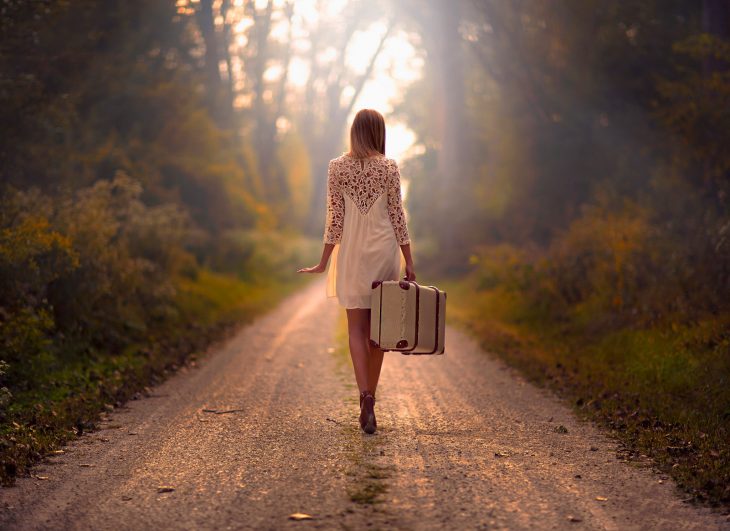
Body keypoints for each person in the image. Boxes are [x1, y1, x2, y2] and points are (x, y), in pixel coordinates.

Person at [297, 108, 415, 434]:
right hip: (383, 251)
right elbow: (397, 217)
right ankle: (370, 399)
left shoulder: (336, 167)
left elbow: (334, 220)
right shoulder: (389, 167)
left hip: (351, 254)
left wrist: (323, 262)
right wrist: (410, 261)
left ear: (354, 131)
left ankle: (364, 395)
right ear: (379, 132)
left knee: (356, 330)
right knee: (379, 333)